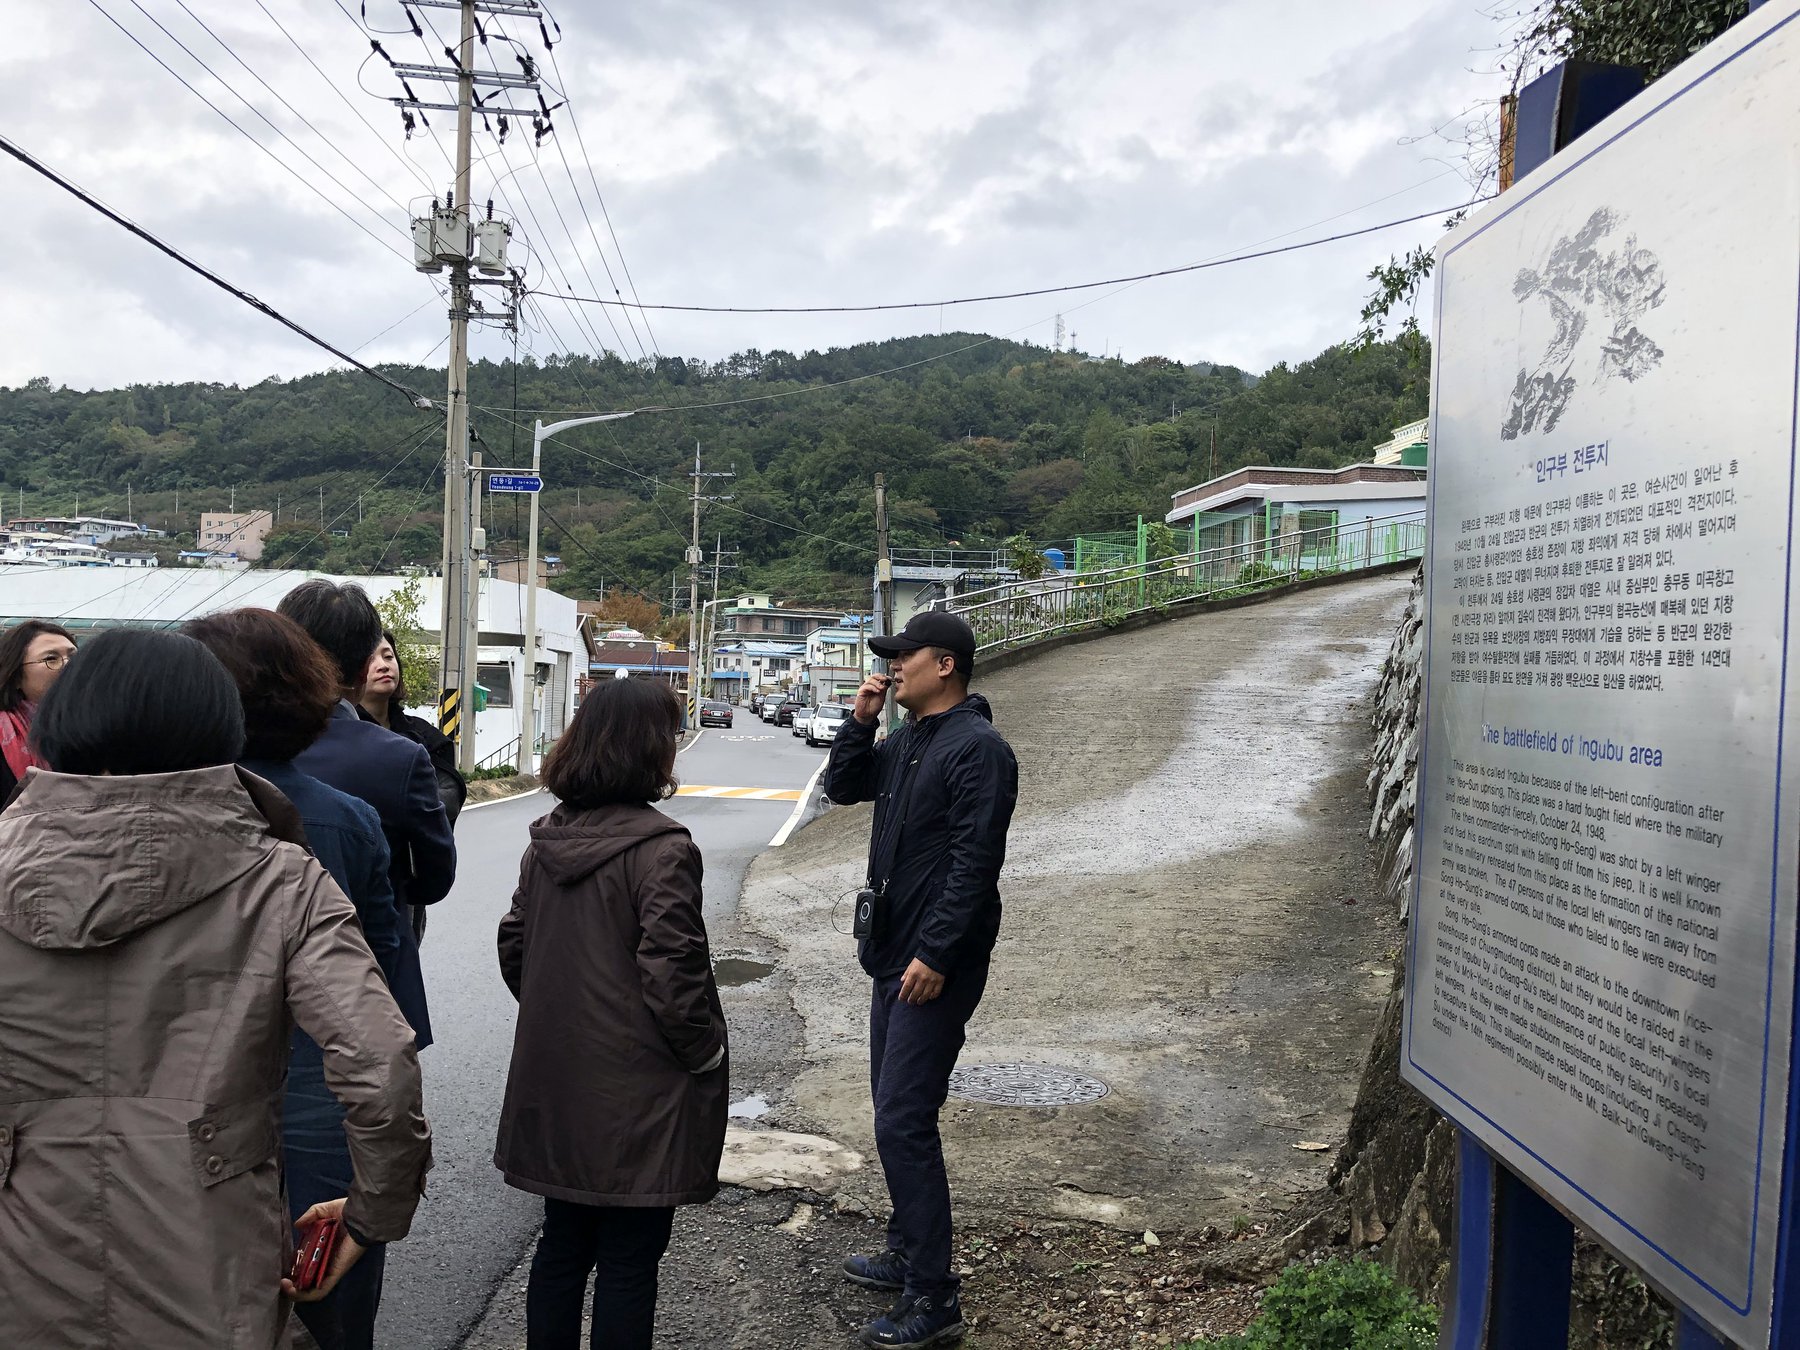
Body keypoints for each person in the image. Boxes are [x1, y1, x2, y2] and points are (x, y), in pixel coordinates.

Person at [0, 629, 431, 1350]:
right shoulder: (280, 879)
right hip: (210, 1258)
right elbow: (382, 1067)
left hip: (22, 1255)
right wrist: (371, 1213)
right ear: (215, 730)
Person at [186, 607, 406, 1350]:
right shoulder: (347, 821)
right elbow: (385, 988)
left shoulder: (165, 825)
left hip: (193, 1115)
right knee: (329, 1308)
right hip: (324, 1111)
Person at [494, 677, 727, 1350]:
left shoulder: (549, 838)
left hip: (559, 1078)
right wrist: (704, 1052)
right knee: (629, 1257)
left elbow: (516, 942)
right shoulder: (664, 849)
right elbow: (673, 974)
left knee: (562, 1243)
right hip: (640, 1091)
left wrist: (560, 1009)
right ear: (649, 748)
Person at [824, 610, 1018, 1349]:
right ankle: (908, 1248)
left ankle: (934, 1296)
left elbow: (977, 863)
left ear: (946, 665)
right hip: (893, 955)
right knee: (892, 1107)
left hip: (934, 964)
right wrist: (860, 723)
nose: (892, 665)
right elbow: (844, 789)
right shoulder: (908, 741)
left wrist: (936, 955)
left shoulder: (980, 750)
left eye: (905, 656)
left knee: (902, 1117)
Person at [280, 580, 456, 1049]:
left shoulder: (237, 747)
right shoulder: (399, 758)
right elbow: (436, 878)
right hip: (371, 967)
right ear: (363, 664)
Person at [357, 630, 467, 825]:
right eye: (370, 659)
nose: (383, 666)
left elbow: (448, 802)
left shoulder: (428, 738)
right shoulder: (337, 734)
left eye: (388, 656)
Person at [0, 619, 76, 804]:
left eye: (75, 657)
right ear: (16, 676)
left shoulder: (102, 731)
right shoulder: (4, 736)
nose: (69, 666)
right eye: (51, 659)